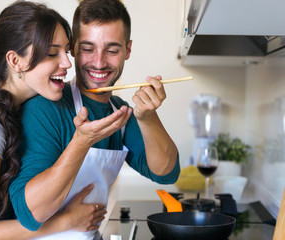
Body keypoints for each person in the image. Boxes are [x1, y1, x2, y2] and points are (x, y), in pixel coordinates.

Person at [0, 1, 126, 239]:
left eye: (66, 50)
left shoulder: (16, 110)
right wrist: (66, 221)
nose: (66, 63)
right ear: (15, 61)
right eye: (52, 53)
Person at [9, 0, 180, 239]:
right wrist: (81, 142)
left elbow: (166, 173)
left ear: (128, 50)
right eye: (88, 48)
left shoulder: (120, 112)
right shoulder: (44, 108)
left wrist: (148, 117)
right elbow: (31, 212)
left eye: (112, 50)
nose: (99, 63)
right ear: (74, 48)